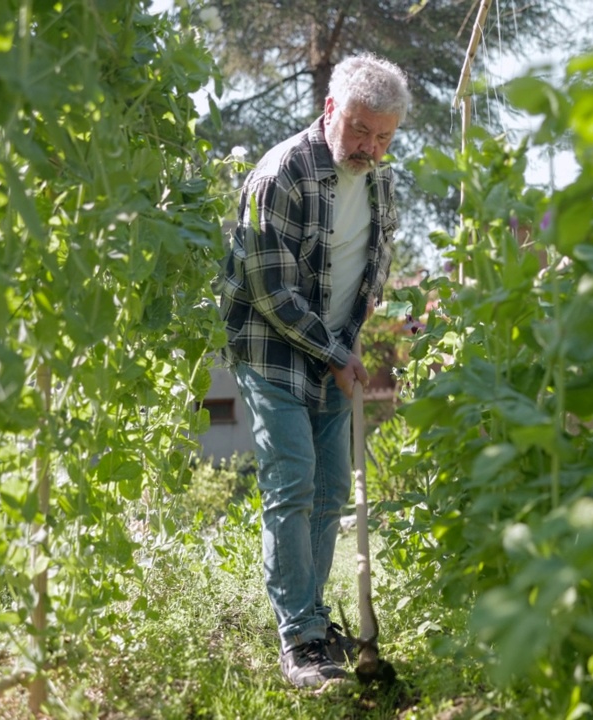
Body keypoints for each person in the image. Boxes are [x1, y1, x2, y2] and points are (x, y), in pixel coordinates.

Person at [215, 53, 410, 689]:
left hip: (334, 352)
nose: (369, 147)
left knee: (330, 495)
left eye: (383, 137)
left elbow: (374, 268)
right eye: (359, 130)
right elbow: (271, 290)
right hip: (273, 348)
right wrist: (334, 350)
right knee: (294, 481)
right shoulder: (281, 174)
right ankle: (299, 639)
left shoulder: (379, 181)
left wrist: (350, 345)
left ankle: (317, 620)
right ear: (330, 110)